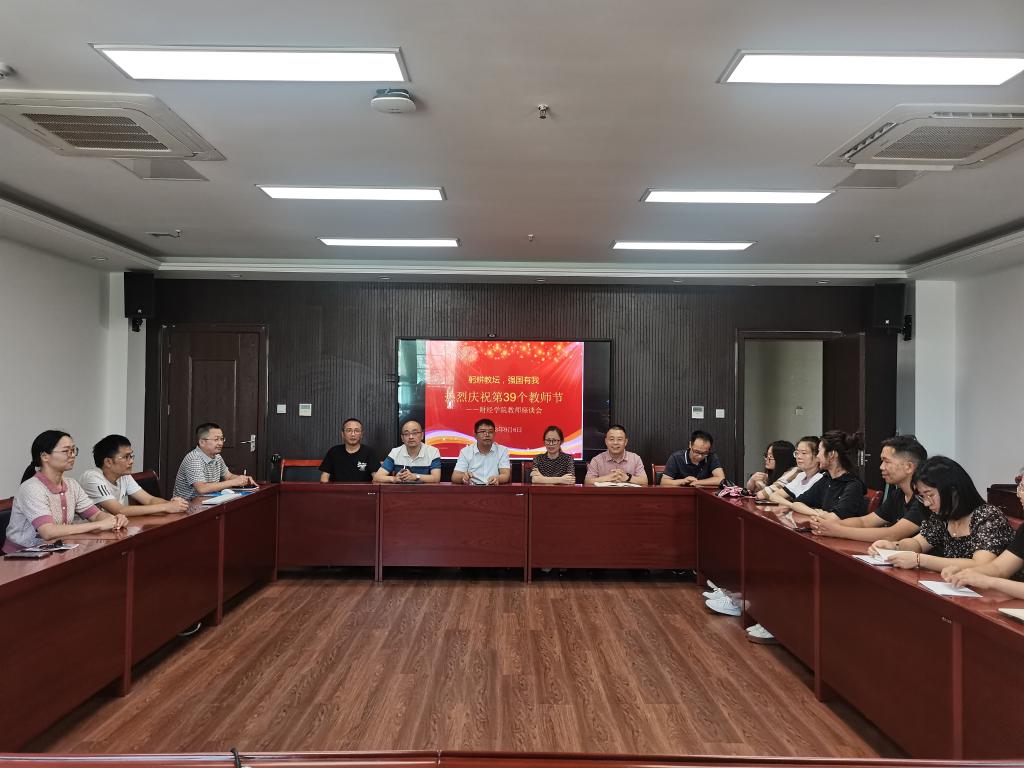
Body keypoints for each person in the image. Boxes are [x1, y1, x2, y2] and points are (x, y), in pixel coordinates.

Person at [870, 456, 1014, 573]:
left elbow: (981, 564)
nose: (927, 503)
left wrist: (920, 560)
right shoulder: (943, 515)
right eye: (922, 497)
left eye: (930, 495)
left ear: (953, 491)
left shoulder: (989, 516)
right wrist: (894, 546)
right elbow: (918, 543)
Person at [3, 430, 128, 553]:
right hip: (22, 555)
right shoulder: (32, 488)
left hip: (56, 550)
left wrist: (114, 520)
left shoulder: (71, 484)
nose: (72, 455)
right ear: (45, 456)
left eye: (73, 450)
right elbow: (48, 532)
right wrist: (99, 525)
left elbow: (95, 515)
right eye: (66, 451)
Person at [810, 435, 927, 542]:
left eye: (887, 461)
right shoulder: (898, 494)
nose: (881, 467)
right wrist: (829, 524)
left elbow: (892, 535)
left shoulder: (925, 499)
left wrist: (837, 530)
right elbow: (864, 522)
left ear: (909, 467)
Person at [80, 434, 189, 517]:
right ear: (108, 462)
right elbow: (119, 510)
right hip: (88, 535)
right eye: (126, 457)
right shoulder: (92, 478)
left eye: (131, 456)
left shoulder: (124, 476)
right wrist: (166, 507)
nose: (131, 461)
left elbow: (149, 500)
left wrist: (174, 505)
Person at [769, 430, 866, 519]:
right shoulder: (826, 479)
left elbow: (835, 518)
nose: (818, 456)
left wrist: (821, 515)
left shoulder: (853, 485)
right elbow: (797, 503)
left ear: (831, 454)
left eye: (819, 451)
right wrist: (816, 513)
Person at [172, 423, 256, 500]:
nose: (220, 443)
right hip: (187, 505)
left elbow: (228, 476)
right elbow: (202, 488)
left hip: (208, 501)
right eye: (216, 439)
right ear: (202, 442)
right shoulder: (193, 458)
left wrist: (242, 479)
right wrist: (234, 482)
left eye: (222, 439)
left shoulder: (217, 457)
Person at [753, 435, 822, 500]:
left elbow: (764, 494)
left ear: (817, 456)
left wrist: (757, 481)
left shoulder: (821, 478)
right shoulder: (801, 476)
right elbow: (774, 496)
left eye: (803, 453)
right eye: (797, 453)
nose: (798, 457)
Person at [373, 419, 441, 483]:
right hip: (401, 490)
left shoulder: (433, 451)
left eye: (415, 433)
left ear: (422, 435)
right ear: (402, 438)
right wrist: (394, 479)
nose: (411, 437)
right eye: (406, 434)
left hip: (424, 490)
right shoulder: (395, 452)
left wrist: (415, 477)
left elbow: (436, 478)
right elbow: (377, 477)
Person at [319, 418, 380, 482]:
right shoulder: (334, 451)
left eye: (357, 431)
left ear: (361, 434)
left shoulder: (369, 452)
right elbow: (324, 477)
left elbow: (376, 478)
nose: (353, 434)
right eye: (349, 430)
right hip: (338, 488)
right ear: (343, 434)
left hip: (362, 488)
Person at [452, 418, 511, 485]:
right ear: (475, 435)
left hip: (493, 487)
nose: (487, 434)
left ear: (494, 434)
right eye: (483, 432)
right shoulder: (466, 451)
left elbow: (505, 475)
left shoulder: (502, 451)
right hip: (473, 488)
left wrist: (497, 478)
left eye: (490, 432)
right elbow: (455, 476)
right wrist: (463, 477)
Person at [660, 430, 725, 487]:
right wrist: (683, 481)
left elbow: (721, 479)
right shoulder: (676, 457)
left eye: (704, 453)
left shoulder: (711, 456)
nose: (700, 456)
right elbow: (664, 482)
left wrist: (697, 482)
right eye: (697, 452)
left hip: (702, 494)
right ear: (690, 445)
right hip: (680, 494)